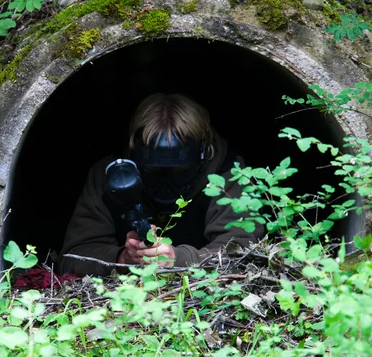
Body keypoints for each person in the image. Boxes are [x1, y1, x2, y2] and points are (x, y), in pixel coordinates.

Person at [58, 93, 264, 276]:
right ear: (134, 156)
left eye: (179, 171)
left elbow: (244, 251)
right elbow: (72, 258)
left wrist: (179, 260)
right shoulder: (111, 176)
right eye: (151, 171)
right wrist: (122, 259)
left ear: (202, 155)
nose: (166, 184)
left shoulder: (228, 173)